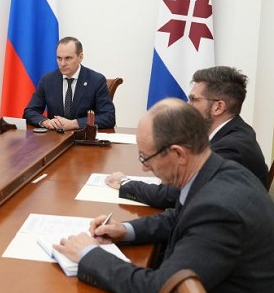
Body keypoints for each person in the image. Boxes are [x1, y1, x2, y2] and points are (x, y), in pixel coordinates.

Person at [55, 98, 274, 293]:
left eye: (146, 158)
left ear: (179, 154)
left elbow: (160, 291)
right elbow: (179, 216)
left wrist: (89, 254)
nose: (144, 168)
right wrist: (125, 230)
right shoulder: (217, 171)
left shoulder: (219, 210)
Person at [107, 66, 268, 208]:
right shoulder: (228, 132)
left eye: (193, 99)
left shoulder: (232, 147)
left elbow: (172, 195)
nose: (187, 105)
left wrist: (125, 183)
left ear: (218, 107)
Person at [23, 36, 115, 131]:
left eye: (68, 58)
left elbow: (108, 117)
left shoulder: (96, 80)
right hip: (55, 137)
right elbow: (30, 111)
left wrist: (74, 123)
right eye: (59, 58)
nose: (63, 64)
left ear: (80, 57)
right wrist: (45, 122)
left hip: (83, 136)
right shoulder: (47, 80)